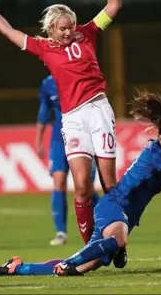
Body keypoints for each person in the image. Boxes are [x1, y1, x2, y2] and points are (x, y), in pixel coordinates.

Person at [0, 0, 122, 248]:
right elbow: (9, 31)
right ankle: (91, 246)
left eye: (70, 27)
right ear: (50, 30)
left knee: (109, 183)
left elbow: (113, 6)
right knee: (80, 187)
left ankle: (117, 240)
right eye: (62, 28)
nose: (68, 32)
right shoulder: (43, 47)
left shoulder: (87, 33)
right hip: (73, 118)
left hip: (99, 110)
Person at [0, 91, 161, 277]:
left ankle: (17, 267)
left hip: (125, 215)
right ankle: (72, 262)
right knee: (116, 240)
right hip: (114, 206)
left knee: (82, 267)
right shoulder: (156, 154)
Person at [36, 75, 100, 246]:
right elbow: (44, 112)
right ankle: (61, 233)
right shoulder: (48, 83)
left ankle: (107, 221)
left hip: (82, 137)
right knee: (58, 182)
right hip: (58, 140)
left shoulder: (79, 76)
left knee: (85, 186)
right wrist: (38, 140)